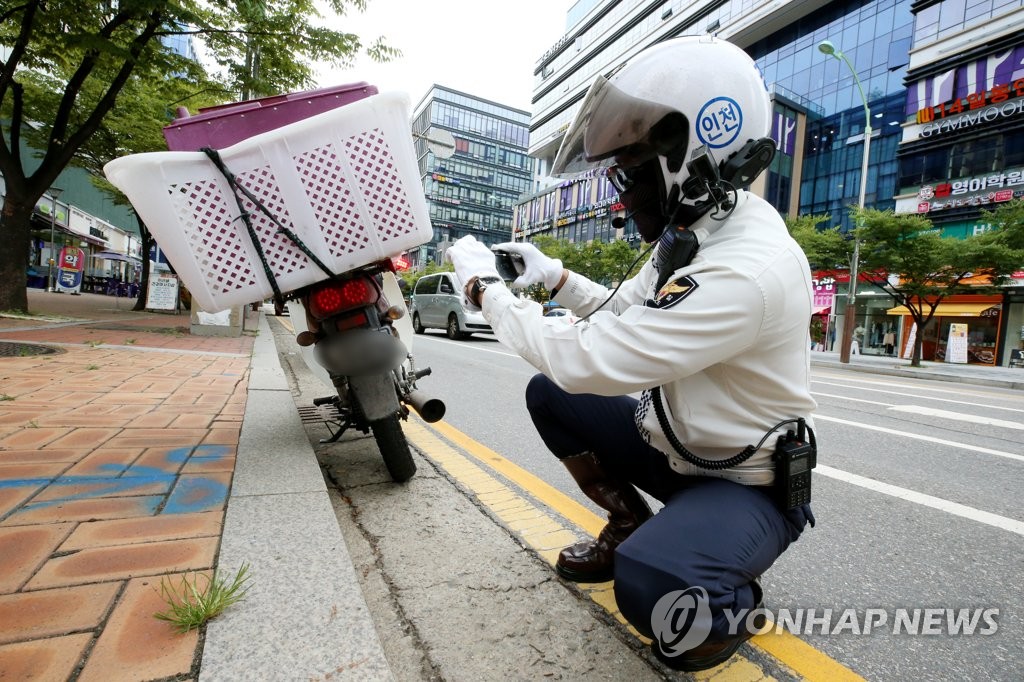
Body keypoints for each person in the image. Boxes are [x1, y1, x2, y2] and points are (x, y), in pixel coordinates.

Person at [446, 36, 815, 672]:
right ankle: (630, 526)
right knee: (550, 397)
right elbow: (627, 316)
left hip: (745, 483)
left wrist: (487, 293)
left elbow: (589, 358)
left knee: (655, 591)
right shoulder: (700, 235)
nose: (623, 192)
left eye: (633, 170)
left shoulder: (747, 271)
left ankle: (726, 602)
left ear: (693, 156)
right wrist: (556, 277)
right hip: (678, 452)